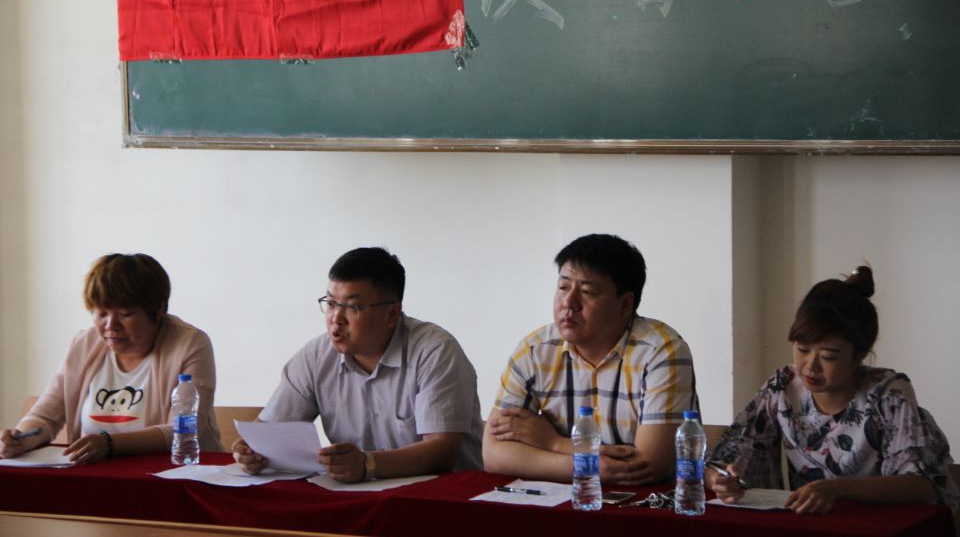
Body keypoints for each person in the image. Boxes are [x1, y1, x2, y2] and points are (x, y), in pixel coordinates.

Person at [707, 266, 959, 515]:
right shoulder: (783, 386)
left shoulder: (887, 393)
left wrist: (838, 488)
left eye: (828, 356)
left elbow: (921, 485)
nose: (810, 366)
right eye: (802, 349)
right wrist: (720, 480)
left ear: (859, 355)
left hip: (879, 525)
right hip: (811, 523)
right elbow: (720, 461)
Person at [232, 247, 483, 481]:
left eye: (353, 307)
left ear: (392, 314)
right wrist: (251, 452)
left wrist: (368, 464)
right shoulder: (316, 356)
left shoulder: (434, 351)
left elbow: (441, 450)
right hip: (361, 496)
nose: (336, 319)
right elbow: (269, 431)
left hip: (443, 497)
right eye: (331, 304)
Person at [483, 234, 698, 485]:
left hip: (649, 501)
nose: (569, 303)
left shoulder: (661, 351)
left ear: (625, 304)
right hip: (562, 499)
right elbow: (493, 454)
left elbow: (647, 465)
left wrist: (553, 443)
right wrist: (587, 466)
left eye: (587, 292)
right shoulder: (534, 350)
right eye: (563, 287)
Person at [1, 253, 221, 463]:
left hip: (173, 476)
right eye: (101, 313)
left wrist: (109, 443)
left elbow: (182, 430)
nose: (111, 326)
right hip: (97, 477)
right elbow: (45, 418)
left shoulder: (190, 344)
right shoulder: (84, 345)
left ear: (159, 309)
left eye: (125, 314)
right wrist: (20, 439)